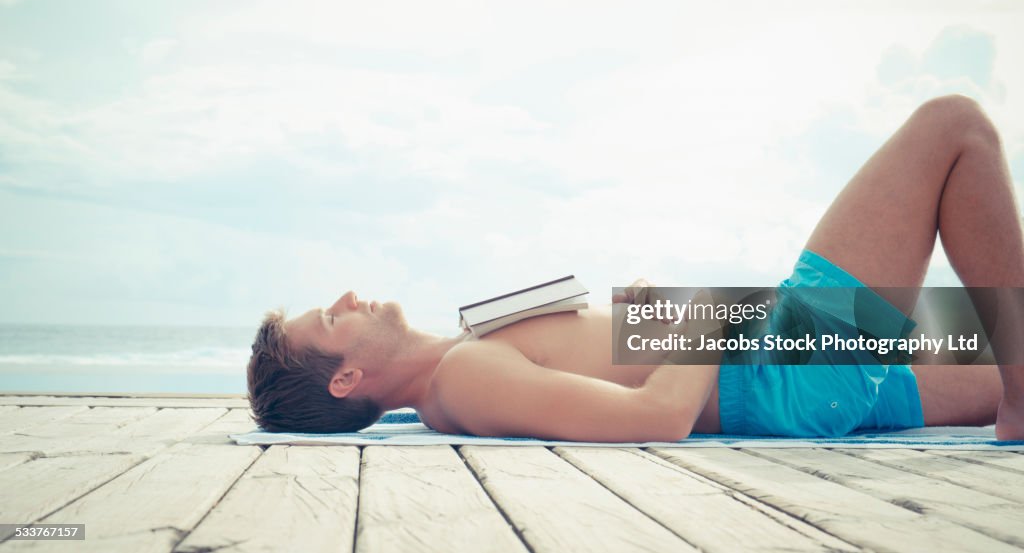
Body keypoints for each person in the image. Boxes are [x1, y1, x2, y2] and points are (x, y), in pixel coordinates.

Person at [247, 95, 1024, 441]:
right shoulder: (464, 379)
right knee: (953, 126)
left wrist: (647, 316)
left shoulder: (457, 362)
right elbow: (655, 419)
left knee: (995, 352)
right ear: (345, 377)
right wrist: (704, 316)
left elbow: (607, 372)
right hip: (782, 364)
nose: (347, 298)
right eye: (330, 317)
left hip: (775, 360)